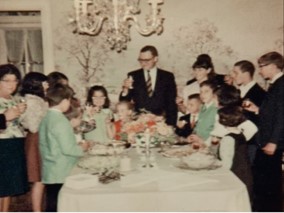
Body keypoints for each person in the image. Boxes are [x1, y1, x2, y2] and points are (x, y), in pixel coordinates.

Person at [39, 84, 89, 212]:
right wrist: (83, 148)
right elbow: (68, 150)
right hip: (62, 170)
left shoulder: (47, 117)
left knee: (51, 202)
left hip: (50, 168)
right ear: (65, 101)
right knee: (59, 204)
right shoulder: (61, 121)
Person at [244, 51, 284, 211]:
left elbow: (282, 116)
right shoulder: (276, 84)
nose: (259, 71)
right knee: (263, 182)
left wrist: (273, 142)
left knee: (269, 185)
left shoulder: (281, 84)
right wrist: (258, 110)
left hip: (271, 143)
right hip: (266, 140)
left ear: (273, 66)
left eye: (262, 66)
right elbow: (273, 112)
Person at [119, 45, 177, 126]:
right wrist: (125, 89)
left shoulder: (167, 77)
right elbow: (124, 102)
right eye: (141, 60)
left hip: (161, 123)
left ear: (155, 59)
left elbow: (171, 104)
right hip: (138, 124)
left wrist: (171, 126)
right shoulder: (133, 75)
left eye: (147, 60)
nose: (143, 63)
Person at [0, 64, 28, 212]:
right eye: (7, 80)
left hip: (14, 146)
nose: (12, 84)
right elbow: (5, 119)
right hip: (2, 148)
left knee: (8, 188)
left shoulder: (14, 99)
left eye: (15, 80)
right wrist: (5, 117)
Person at [19, 72, 49, 212]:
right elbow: (33, 126)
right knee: (39, 179)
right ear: (36, 84)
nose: (47, 85)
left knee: (42, 179)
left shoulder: (38, 100)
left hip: (40, 139)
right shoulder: (31, 101)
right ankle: (37, 210)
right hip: (36, 140)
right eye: (44, 82)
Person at [231, 60, 266, 165]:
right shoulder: (237, 91)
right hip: (239, 140)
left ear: (246, 73)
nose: (233, 75)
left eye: (236, 73)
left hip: (251, 142)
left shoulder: (260, 94)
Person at [218, 106, 253, 202]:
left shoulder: (228, 139)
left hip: (236, 174)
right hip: (245, 173)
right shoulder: (240, 133)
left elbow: (227, 163)